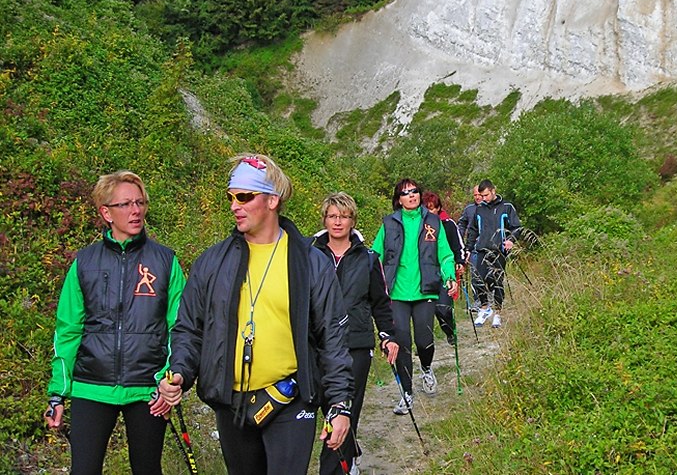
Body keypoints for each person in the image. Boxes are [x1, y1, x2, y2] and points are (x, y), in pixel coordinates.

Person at [158, 154, 353, 475]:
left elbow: (332, 338)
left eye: (245, 196)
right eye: (231, 196)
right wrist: (179, 371)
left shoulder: (309, 263)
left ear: (272, 200)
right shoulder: (212, 262)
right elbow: (189, 329)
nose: (235, 205)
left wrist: (339, 405)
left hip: (291, 400)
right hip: (231, 402)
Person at [43, 170, 185, 475]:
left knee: (147, 469)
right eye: (125, 205)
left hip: (147, 389)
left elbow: (180, 328)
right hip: (91, 386)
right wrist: (58, 393)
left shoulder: (165, 261)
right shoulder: (85, 262)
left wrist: (169, 379)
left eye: (140, 202)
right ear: (105, 212)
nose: (135, 211)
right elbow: (67, 330)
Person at [311, 192, 399, 475]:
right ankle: (350, 449)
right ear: (325, 219)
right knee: (326, 404)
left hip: (356, 343)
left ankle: (337, 468)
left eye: (344, 216)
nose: (338, 222)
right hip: (316, 344)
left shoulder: (369, 258)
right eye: (333, 216)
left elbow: (380, 302)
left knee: (345, 409)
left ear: (353, 221)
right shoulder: (308, 255)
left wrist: (387, 335)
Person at [371, 179, 457, 412]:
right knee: (401, 343)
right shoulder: (388, 224)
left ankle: (426, 369)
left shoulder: (433, 222)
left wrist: (449, 277)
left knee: (424, 340)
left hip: (425, 290)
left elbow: (446, 255)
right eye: (405, 193)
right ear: (398, 199)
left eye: (415, 191)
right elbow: (375, 256)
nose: (411, 195)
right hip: (396, 293)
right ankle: (407, 393)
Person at [464, 179, 521, 328]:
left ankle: (498, 313)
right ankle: (484, 308)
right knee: (478, 280)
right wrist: (468, 249)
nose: (483, 199)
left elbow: (516, 227)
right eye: (481, 196)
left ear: (493, 191)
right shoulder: (480, 209)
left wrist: (511, 240)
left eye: (486, 195)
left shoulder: (506, 207)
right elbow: (473, 230)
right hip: (482, 249)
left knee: (496, 282)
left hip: (499, 251)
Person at [421, 190, 465, 345]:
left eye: (432, 208)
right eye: (426, 208)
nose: (429, 212)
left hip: (446, 271)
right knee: (431, 310)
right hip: (425, 273)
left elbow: (458, 245)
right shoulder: (418, 227)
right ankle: (440, 334)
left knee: (443, 307)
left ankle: (450, 330)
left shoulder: (448, 224)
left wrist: (460, 261)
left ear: (438, 208)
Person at [456, 185, 481, 313]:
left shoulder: (493, 208)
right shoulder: (469, 209)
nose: (477, 197)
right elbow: (462, 224)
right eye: (475, 195)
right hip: (473, 247)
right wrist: (459, 238)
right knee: (475, 274)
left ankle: (493, 300)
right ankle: (478, 301)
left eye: (479, 194)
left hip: (491, 247)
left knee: (491, 274)